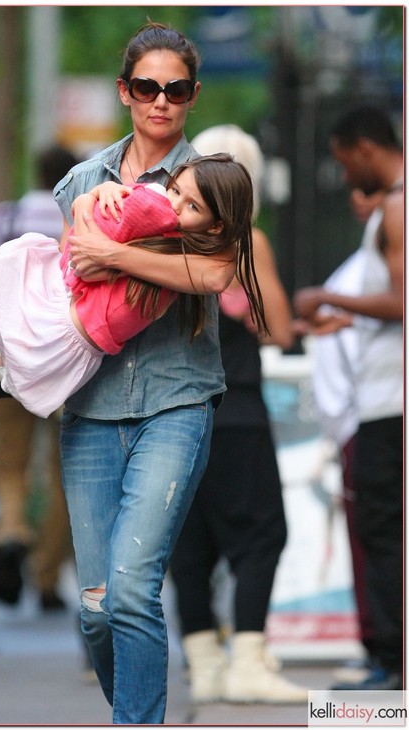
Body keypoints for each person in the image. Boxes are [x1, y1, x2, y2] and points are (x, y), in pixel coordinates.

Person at [53, 23, 266, 724]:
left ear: (193, 96)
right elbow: (66, 276)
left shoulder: (211, 181)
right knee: (97, 613)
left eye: (175, 89)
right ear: (125, 92)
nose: (160, 101)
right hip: (89, 408)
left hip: (178, 403)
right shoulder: (82, 182)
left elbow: (213, 272)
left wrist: (113, 255)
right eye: (146, 87)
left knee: (135, 589)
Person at [0, 154, 258, 420]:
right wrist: (97, 195)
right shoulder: (175, 244)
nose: (173, 206)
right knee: (18, 256)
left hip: (62, 335)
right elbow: (89, 239)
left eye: (192, 207)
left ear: (216, 226)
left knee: (12, 256)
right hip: (77, 349)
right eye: (174, 191)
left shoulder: (177, 249)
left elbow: (85, 259)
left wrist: (105, 209)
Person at [168, 124, 307, 705]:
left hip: (174, 407)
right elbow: (276, 327)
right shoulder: (244, 240)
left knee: (189, 543)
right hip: (237, 406)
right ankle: (248, 656)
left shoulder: (164, 241)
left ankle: (203, 663)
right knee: (263, 533)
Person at [294, 105, 403, 691]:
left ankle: (390, 663)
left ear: (365, 148)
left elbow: (402, 301)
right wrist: (344, 317)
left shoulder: (395, 206)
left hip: (391, 405)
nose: (342, 176)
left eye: (342, 161)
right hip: (384, 396)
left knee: (383, 533)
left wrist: (322, 299)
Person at [0, 145, 79, 609]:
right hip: (62, 361)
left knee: (8, 458)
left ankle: (12, 527)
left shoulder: (6, 217)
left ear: (36, 172)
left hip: (7, 358)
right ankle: (48, 576)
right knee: (62, 470)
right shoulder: (81, 214)